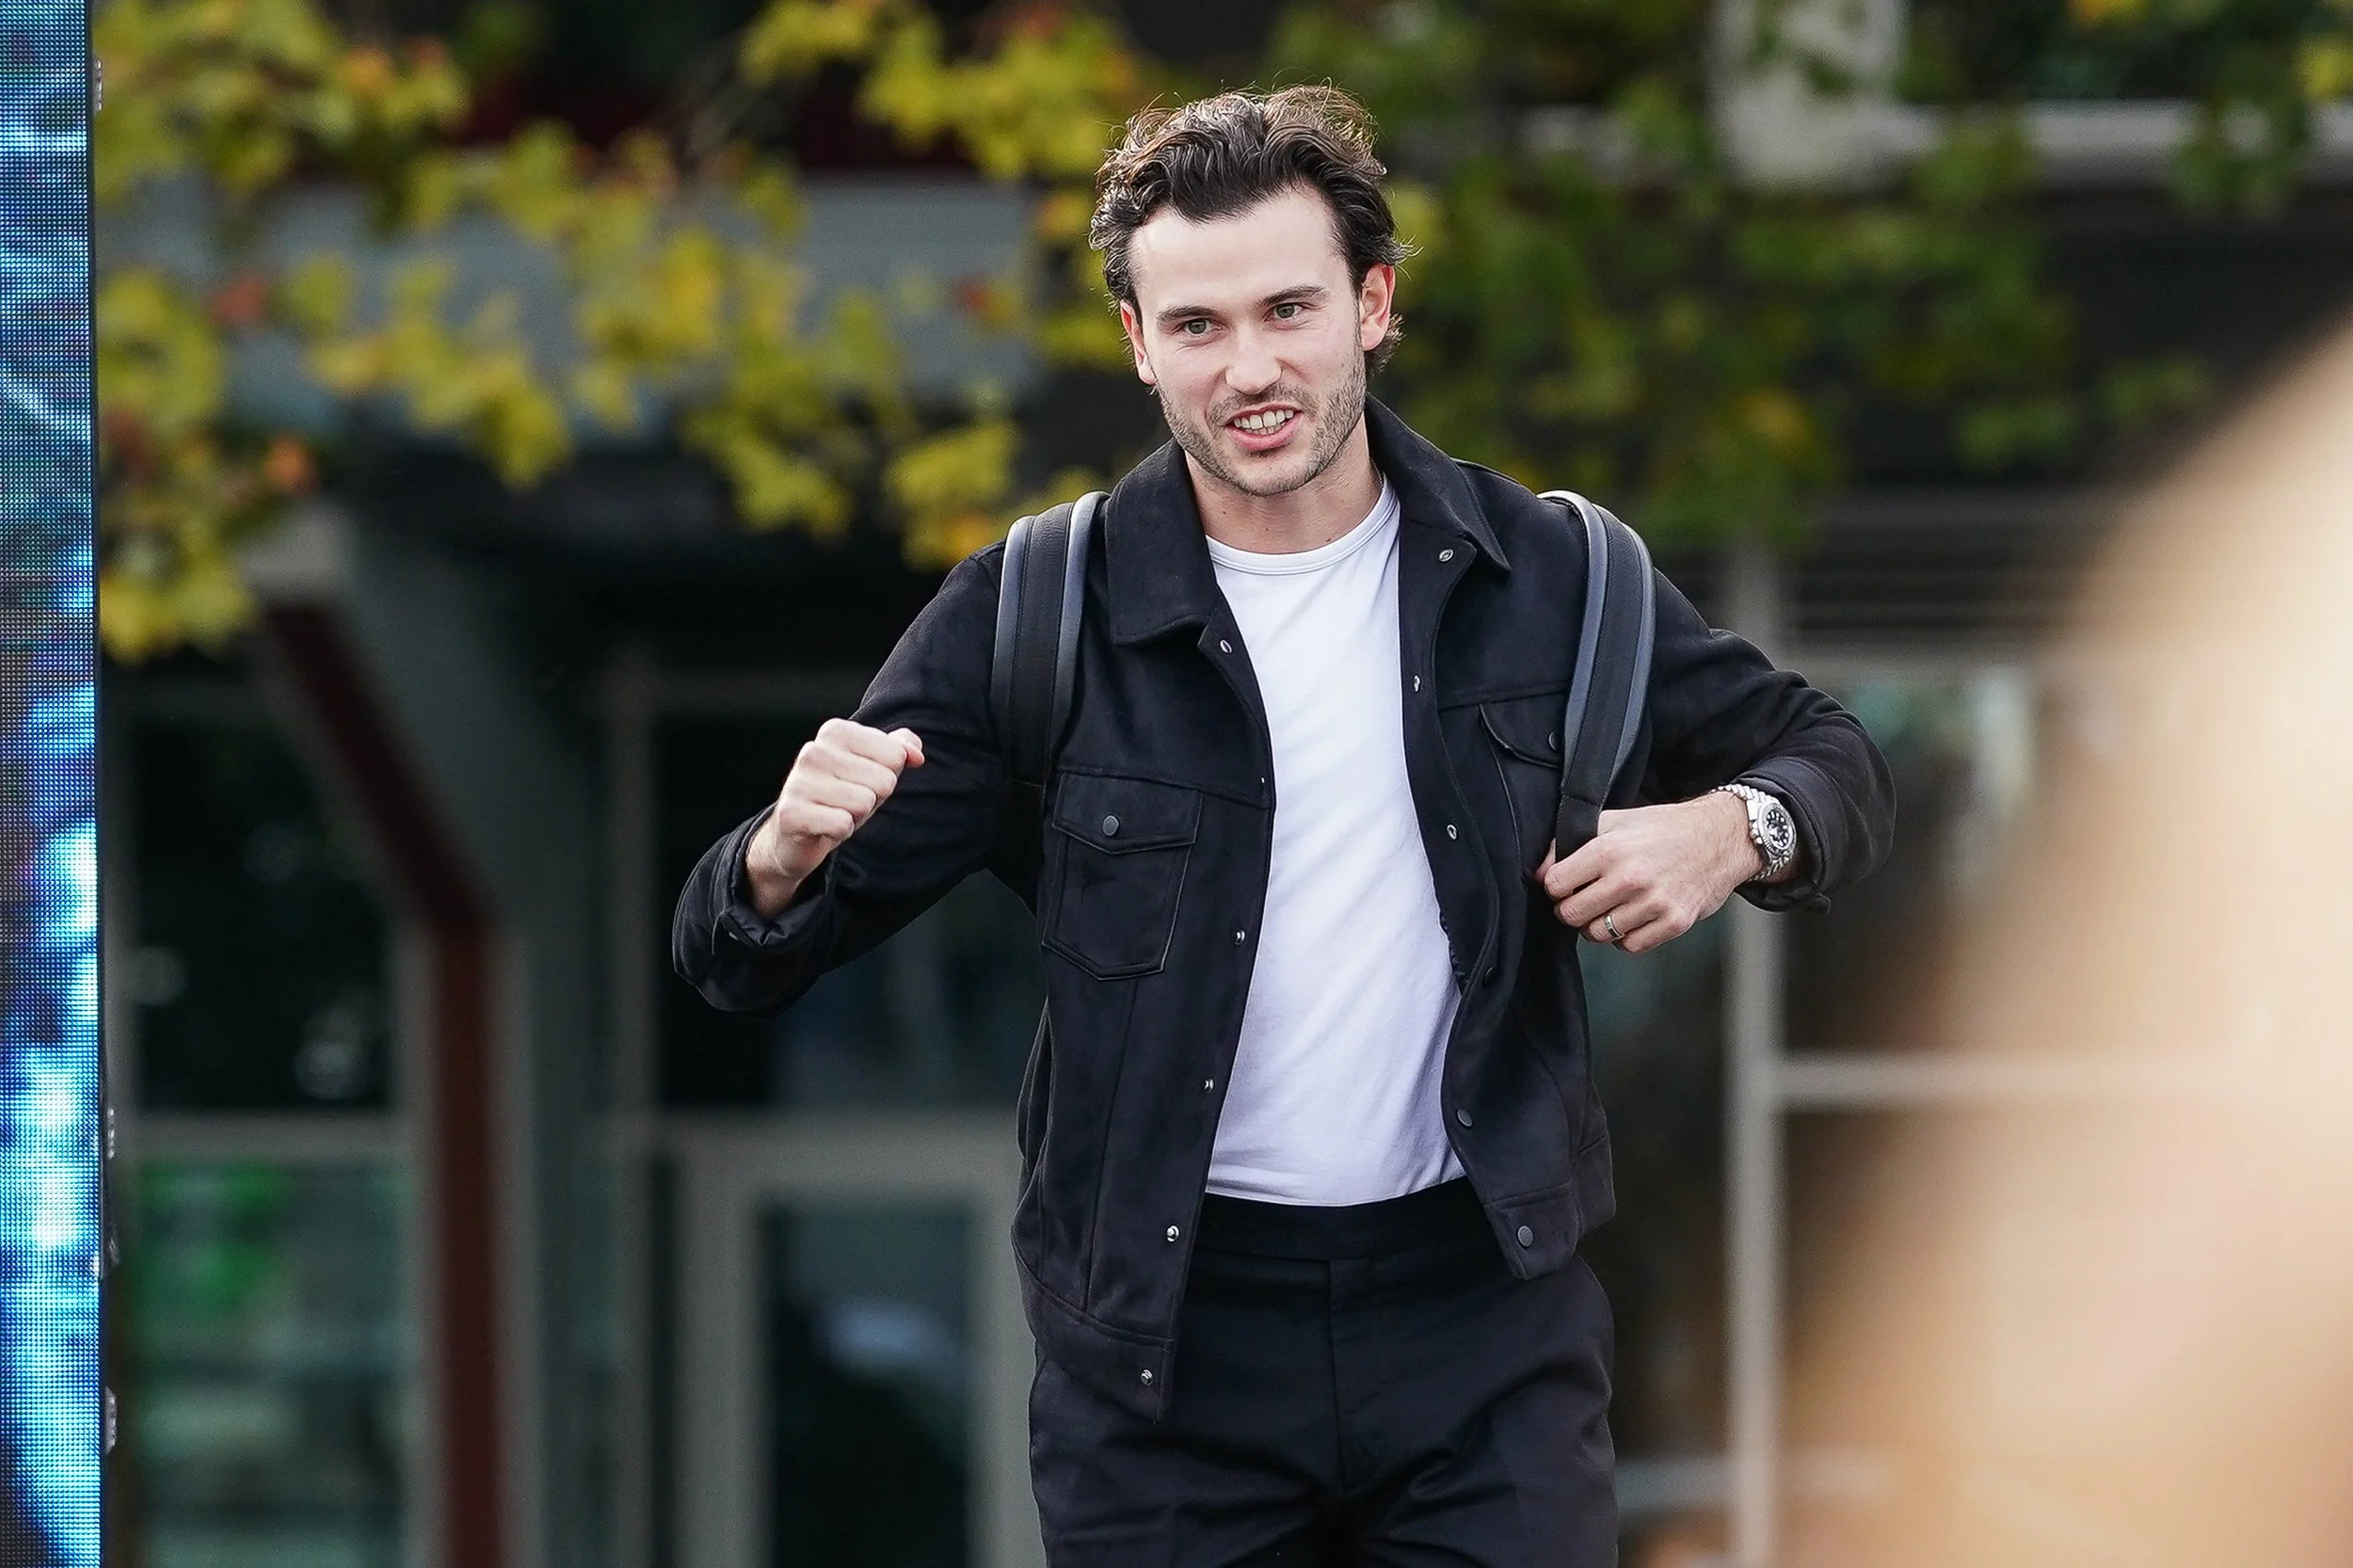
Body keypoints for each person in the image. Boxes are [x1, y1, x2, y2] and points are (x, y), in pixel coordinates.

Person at [675, 85, 1894, 1568]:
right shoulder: (1037, 611)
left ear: (1372, 306)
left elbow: (1831, 759)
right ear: (1138, 342)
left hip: (1481, 1329)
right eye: (1196, 325)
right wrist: (777, 860)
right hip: (1167, 1362)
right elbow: (738, 953)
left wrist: (1731, 829)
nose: (1248, 368)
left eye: (1288, 310)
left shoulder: (1555, 578)